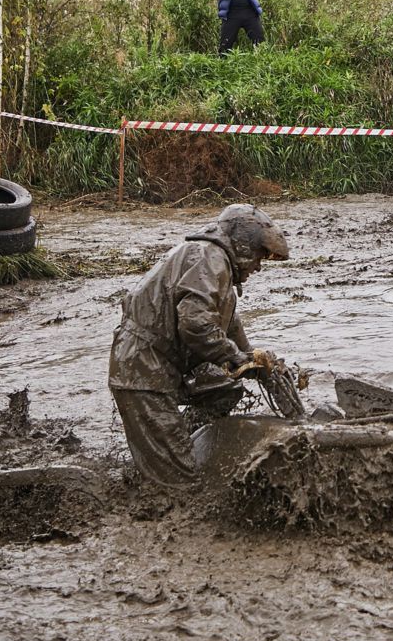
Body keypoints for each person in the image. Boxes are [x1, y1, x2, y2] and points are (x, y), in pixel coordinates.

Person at [108, 204, 290, 487]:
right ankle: (168, 467)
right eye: (259, 256)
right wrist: (236, 357)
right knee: (178, 481)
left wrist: (257, 363)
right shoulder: (210, 258)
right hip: (142, 369)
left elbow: (232, 333)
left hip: (163, 363)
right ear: (243, 245)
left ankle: (182, 438)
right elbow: (196, 325)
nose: (258, 266)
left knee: (225, 389)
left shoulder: (217, 268)